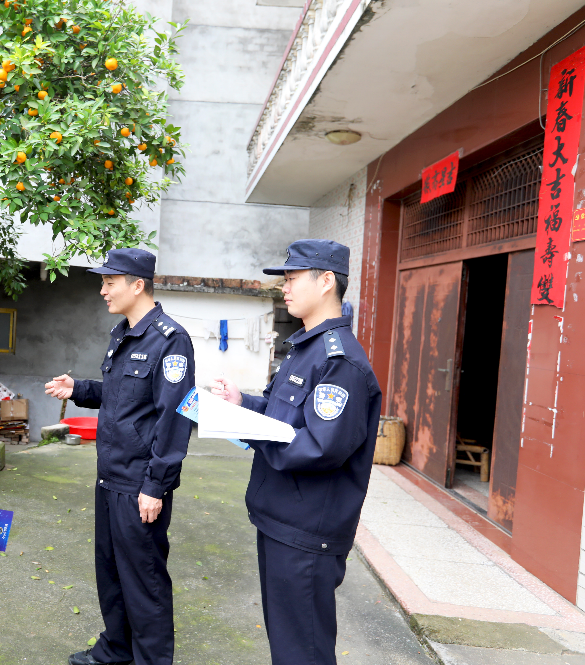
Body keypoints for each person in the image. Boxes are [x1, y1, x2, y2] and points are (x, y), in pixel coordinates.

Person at [211, 239, 382, 665]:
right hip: (281, 518)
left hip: (306, 531)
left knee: (302, 651)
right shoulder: (305, 348)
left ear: (326, 282)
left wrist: (251, 431)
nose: (284, 288)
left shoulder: (340, 362)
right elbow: (282, 414)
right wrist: (243, 405)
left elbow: (320, 447)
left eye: (291, 278)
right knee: (287, 645)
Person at [45, 248, 195, 665]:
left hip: (139, 484)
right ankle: (117, 649)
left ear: (138, 285)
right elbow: (122, 396)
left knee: (144, 581)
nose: (103, 290)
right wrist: (79, 389)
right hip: (110, 476)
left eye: (110, 282)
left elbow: (175, 417)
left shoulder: (170, 340)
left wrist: (156, 485)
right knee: (111, 573)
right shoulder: (123, 333)